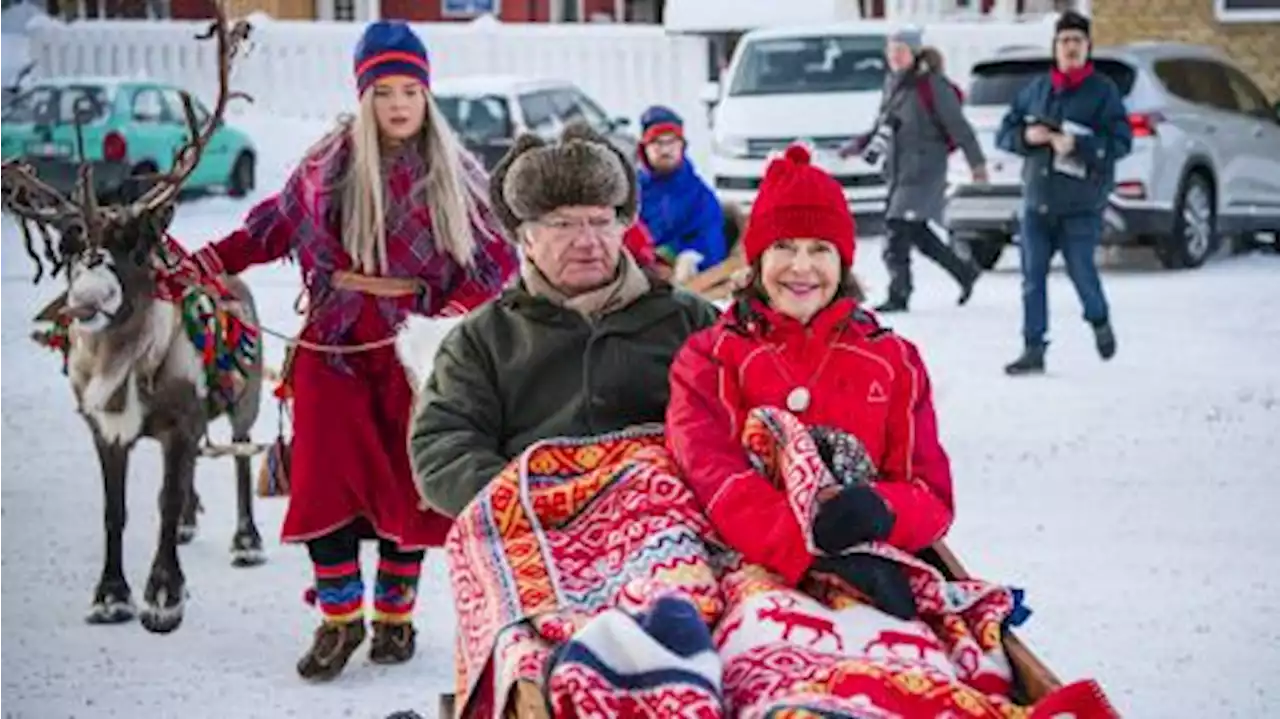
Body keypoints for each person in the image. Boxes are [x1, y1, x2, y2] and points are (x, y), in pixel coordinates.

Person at [190, 20, 518, 681]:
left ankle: (395, 616)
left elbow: (497, 262)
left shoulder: (457, 174)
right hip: (332, 349)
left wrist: (450, 316)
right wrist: (205, 261)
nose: (398, 103)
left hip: (415, 356)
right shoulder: (321, 168)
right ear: (363, 94)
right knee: (324, 478)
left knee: (412, 482)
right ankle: (340, 618)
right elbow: (267, 230)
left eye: (410, 89)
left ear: (426, 95)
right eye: (384, 90)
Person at [665, 144, 955, 621]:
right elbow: (711, 472)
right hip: (750, 565)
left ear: (843, 263)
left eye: (819, 249)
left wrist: (882, 509)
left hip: (875, 560)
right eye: (783, 247)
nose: (801, 268)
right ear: (757, 261)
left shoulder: (891, 360)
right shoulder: (710, 357)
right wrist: (809, 547)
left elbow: (931, 493)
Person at [409, 122, 721, 518]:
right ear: (525, 238)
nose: (587, 241)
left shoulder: (688, 319)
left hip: (672, 524)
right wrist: (532, 507)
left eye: (601, 221)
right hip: (535, 533)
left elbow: (736, 418)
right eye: (564, 224)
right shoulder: (484, 340)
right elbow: (445, 447)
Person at [996, 11, 1131, 375]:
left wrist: (1081, 144)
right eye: (1064, 41)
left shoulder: (1103, 92)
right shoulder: (1037, 90)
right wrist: (1026, 137)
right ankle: (1033, 348)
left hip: (1081, 204)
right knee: (1031, 278)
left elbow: (1121, 141)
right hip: (1037, 202)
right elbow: (1004, 133)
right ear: (1054, 47)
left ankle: (1099, 320)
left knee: (1082, 272)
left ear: (1088, 47)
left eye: (1077, 41)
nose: (1070, 47)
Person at [841, 28, 987, 313]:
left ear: (914, 52)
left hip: (924, 171)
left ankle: (899, 293)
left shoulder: (931, 85)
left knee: (896, 230)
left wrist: (977, 165)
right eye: (891, 50)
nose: (895, 56)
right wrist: (858, 145)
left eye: (901, 50)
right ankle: (965, 272)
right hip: (898, 170)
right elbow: (883, 124)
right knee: (917, 232)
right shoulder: (892, 83)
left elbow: (959, 128)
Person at [636, 105, 729, 274]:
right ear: (644, 149)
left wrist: (676, 255)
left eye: (671, 142)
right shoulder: (630, 193)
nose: (665, 150)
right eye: (657, 142)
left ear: (682, 146)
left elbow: (711, 242)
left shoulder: (700, 195)